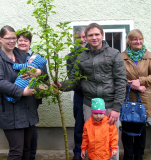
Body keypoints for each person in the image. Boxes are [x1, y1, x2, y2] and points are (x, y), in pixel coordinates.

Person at [52, 23, 127, 160]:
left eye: (97, 34)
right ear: (86, 38)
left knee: (110, 141)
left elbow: (121, 82)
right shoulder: (81, 56)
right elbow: (74, 81)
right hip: (90, 106)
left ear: (102, 35)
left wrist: (117, 108)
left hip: (110, 106)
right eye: (90, 35)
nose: (94, 38)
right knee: (91, 140)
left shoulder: (114, 54)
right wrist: (61, 85)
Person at [0, 25, 46, 160]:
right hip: (10, 111)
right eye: (8, 38)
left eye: (13, 38)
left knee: (27, 149)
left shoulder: (21, 54)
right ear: (0, 39)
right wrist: (21, 92)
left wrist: (39, 72)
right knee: (17, 151)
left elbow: (40, 68)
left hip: (28, 109)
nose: (11, 41)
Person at [120, 29, 151, 160]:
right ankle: (128, 156)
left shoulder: (149, 56)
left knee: (140, 130)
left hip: (143, 98)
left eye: (140, 39)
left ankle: (138, 156)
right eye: (135, 39)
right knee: (126, 129)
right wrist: (131, 84)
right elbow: (118, 77)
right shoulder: (122, 57)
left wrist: (141, 81)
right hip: (127, 98)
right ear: (129, 41)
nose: (138, 41)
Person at [16, 30, 48, 160]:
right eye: (20, 40)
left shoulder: (37, 56)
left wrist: (39, 72)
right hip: (17, 97)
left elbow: (46, 79)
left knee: (31, 128)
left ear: (30, 43)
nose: (23, 42)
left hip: (32, 98)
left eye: (26, 40)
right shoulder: (13, 56)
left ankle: (31, 156)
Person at [66, 27, 86, 160]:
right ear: (75, 39)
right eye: (79, 37)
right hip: (80, 95)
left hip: (95, 95)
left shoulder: (92, 53)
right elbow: (72, 79)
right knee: (79, 124)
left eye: (85, 37)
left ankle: (92, 150)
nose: (82, 40)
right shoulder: (71, 57)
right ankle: (77, 152)